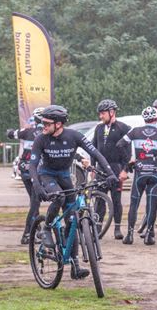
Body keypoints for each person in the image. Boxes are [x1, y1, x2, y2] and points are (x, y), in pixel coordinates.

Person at [29, 105, 118, 279]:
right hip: (47, 175)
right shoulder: (41, 139)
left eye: (47, 123)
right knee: (59, 197)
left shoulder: (73, 136)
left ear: (59, 124)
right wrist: (38, 186)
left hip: (64, 175)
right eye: (42, 122)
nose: (43, 126)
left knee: (72, 221)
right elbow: (33, 165)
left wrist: (111, 174)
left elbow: (97, 154)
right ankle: (46, 228)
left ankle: (75, 266)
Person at [116, 106, 157, 245]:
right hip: (154, 172)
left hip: (139, 172)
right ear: (155, 118)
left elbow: (120, 144)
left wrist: (129, 159)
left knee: (134, 203)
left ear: (144, 118)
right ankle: (149, 235)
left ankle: (129, 235)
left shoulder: (135, 131)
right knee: (151, 204)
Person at [92, 99, 131, 239]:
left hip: (116, 167)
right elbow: (94, 149)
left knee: (116, 200)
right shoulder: (99, 128)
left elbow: (128, 152)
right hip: (101, 169)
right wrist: (92, 168)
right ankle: (98, 228)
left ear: (112, 112)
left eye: (103, 113)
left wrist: (125, 169)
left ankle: (117, 228)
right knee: (99, 200)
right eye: (100, 114)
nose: (100, 116)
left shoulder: (123, 128)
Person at [7, 107, 44, 244]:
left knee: (34, 201)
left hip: (24, 170)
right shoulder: (46, 133)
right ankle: (27, 234)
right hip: (36, 170)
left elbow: (11, 134)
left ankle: (37, 229)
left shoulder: (27, 131)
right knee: (35, 203)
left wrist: (10, 131)